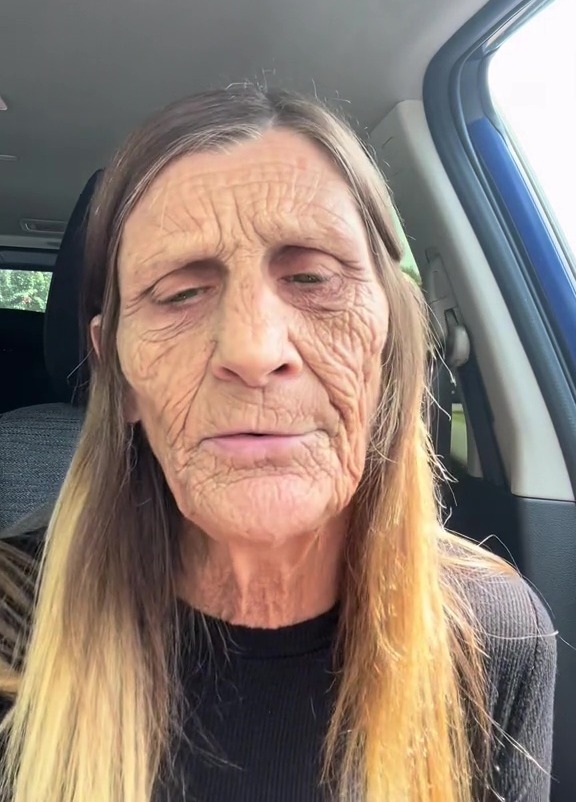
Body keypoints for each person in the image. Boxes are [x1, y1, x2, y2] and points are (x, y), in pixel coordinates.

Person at [0, 87, 556, 802]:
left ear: (387, 344)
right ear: (121, 375)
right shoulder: (15, 622)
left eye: (314, 278)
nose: (254, 350)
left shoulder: (492, 637)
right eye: (177, 294)